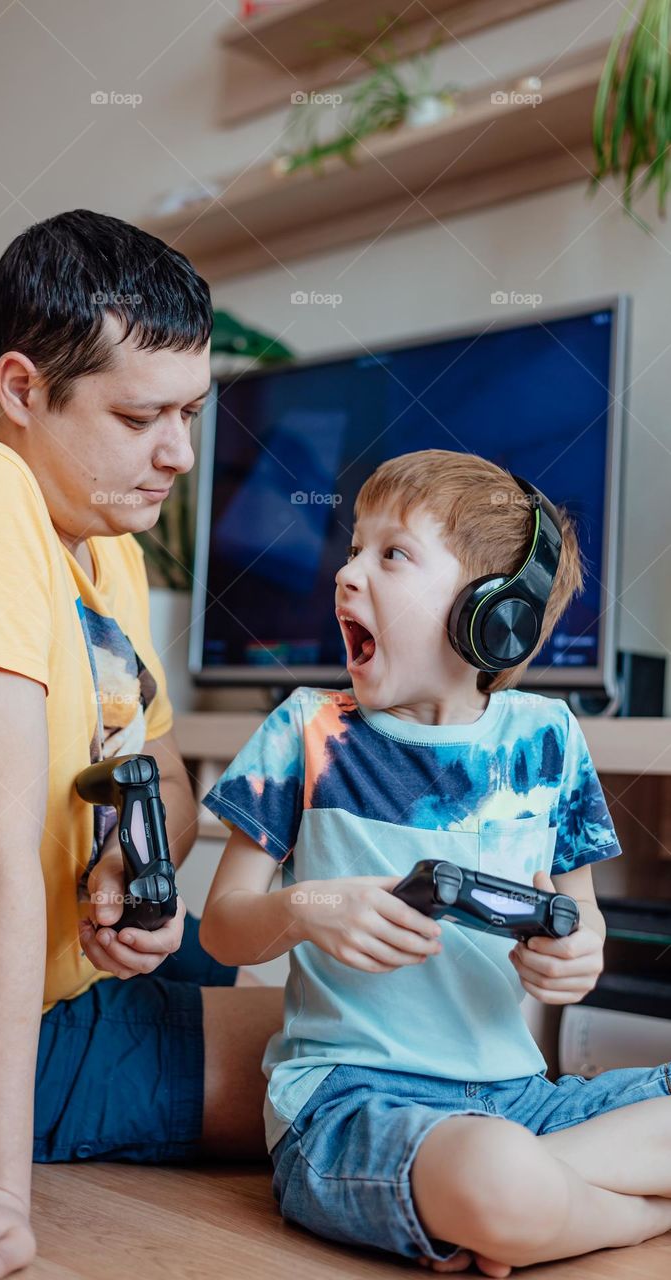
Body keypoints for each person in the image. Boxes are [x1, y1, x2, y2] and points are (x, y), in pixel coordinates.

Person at [0, 210, 282, 1280]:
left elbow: (159, 768)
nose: (179, 453)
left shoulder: (100, 534)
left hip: (61, 962)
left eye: (189, 412)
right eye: (139, 416)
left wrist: (127, 858)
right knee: (358, 1054)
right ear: (22, 389)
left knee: (346, 987)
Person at [199, 449, 671, 1277]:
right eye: (355, 548)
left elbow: (583, 920)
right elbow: (222, 928)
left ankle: (534, 1201)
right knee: (491, 1171)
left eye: (392, 554)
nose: (347, 573)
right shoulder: (307, 731)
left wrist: (576, 955)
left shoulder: (548, 740)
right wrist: (310, 908)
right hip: (352, 1105)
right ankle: (617, 1213)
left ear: (494, 615)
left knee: (501, 1161)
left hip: (518, 1100)